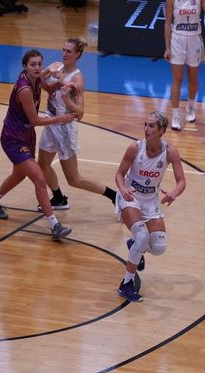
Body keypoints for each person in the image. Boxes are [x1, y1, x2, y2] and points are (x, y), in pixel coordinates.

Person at [0, 50, 75, 241]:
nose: (37, 68)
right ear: (25, 66)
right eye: (33, 64)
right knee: (39, 178)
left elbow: (48, 86)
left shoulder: (37, 77)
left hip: (26, 135)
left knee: (19, 174)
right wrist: (61, 118)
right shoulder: (24, 89)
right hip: (13, 138)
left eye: (40, 64)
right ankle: (54, 225)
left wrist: (61, 81)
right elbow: (35, 120)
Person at [37, 37, 117, 210]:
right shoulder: (57, 66)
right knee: (42, 165)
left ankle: (115, 196)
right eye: (63, 50)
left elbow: (80, 114)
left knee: (74, 180)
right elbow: (45, 87)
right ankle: (59, 198)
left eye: (69, 51)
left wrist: (67, 99)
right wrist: (46, 72)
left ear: (78, 55)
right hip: (51, 122)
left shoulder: (77, 79)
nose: (64, 54)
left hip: (64, 129)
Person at [114, 111, 185, 302]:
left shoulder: (170, 151)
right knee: (142, 236)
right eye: (145, 124)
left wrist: (174, 193)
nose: (146, 129)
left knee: (159, 247)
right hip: (130, 196)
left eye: (151, 126)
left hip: (151, 200)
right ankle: (126, 284)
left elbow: (181, 181)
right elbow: (119, 174)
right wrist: (122, 189)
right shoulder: (135, 148)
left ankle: (135, 246)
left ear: (161, 130)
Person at [164, 0, 205, 131]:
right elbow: (167, 23)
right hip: (177, 39)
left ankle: (190, 107)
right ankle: (175, 115)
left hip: (194, 38)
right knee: (177, 79)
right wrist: (167, 48)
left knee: (193, 79)